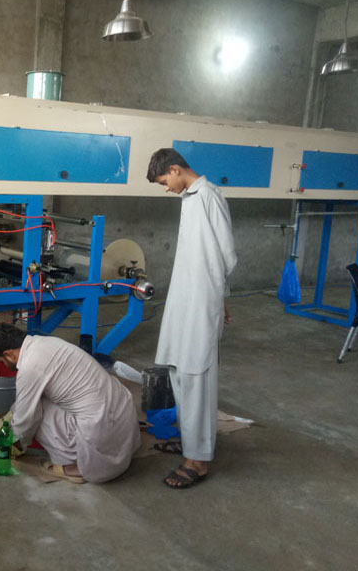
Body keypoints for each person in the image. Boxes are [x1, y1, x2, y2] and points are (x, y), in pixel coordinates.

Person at [146, 148, 237, 489]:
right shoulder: (190, 198)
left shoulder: (209, 196)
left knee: (196, 375)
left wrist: (217, 297)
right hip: (184, 299)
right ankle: (190, 441)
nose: (165, 188)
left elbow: (226, 254)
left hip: (200, 302)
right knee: (178, 370)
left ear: (175, 169)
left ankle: (198, 461)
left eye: (164, 181)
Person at [0, 324, 141, 484]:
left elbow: (25, 419)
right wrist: (6, 419)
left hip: (101, 432)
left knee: (36, 411)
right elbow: (25, 400)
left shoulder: (28, 368)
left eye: (1, 361)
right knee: (35, 400)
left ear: (9, 354)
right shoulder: (46, 342)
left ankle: (70, 467)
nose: (4, 364)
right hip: (122, 418)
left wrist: (12, 445)